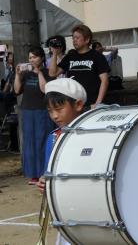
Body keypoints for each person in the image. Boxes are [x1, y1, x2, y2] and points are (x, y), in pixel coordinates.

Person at [37, 78, 87, 245]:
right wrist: (45, 183)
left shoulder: (95, 134)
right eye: (50, 111)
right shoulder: (53, 138)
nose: (54, 116)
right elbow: (48, 173)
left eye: (59, 109)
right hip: (66, 211)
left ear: (78, 105)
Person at [14, 46, 54, 185]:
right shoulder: (25, 73)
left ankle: (43, 172)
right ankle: (33, 174)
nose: (31, 60)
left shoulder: (48, 72)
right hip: (27, 110)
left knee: (42, 140)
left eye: (34, 57)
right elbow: (17, 90)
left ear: (41, 58)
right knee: (29, 142)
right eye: (30, 57)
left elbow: (44, 89)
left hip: (42, 110)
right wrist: (17, 75)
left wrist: (39, 72)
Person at [50, 25, 110, 109]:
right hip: (73, 104)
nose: (74, 40)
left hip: (91, 104)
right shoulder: (70, 56)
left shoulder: (97, 56)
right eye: (73, 38)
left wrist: (98, 103)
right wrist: (54, 54)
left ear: (87, 40)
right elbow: (53, 73)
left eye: (77, 38)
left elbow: (105, 80)